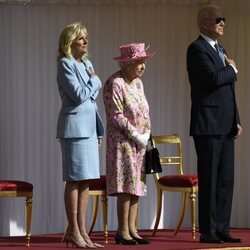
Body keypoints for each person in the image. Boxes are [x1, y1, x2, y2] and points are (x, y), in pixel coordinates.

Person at [186, 5, 243, 244]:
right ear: (205, 23)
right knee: (209, 178)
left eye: (224, 19)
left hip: (226, 124)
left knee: (226, 180)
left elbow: (228, 89)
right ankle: (208, 231)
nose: (223, 23)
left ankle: (222, 228)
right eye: (218, 19)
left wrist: (236, 119)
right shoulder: (197, 49)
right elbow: (212, 79)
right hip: (208, 124)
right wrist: (231, 68)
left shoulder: (221, 49)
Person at [56, 22, 104, 248]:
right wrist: (96, 80)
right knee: (74, 180)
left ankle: (82, 231)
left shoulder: (87, 63)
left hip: (90, 129)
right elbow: (78, 95)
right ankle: (73, 230)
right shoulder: (65, 64)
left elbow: (91, 102)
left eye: (86, 37)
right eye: (81, 38)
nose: (86, 41)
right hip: (74, 130)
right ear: (70, 42)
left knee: (86, 181)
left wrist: (99, 131)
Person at [103, 42, 155, 245]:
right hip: (122, 142)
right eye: (138, 62)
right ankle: (122, 231)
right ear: (125, 63)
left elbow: (144, 110)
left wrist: (147, 132)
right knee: (125, 185)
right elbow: (115, 115)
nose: (142, 66)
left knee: (137, 186)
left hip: (140, 143)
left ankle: (133, 229)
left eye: (143, 62)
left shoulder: (138, 84)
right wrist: (135, 134)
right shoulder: (115, 83)